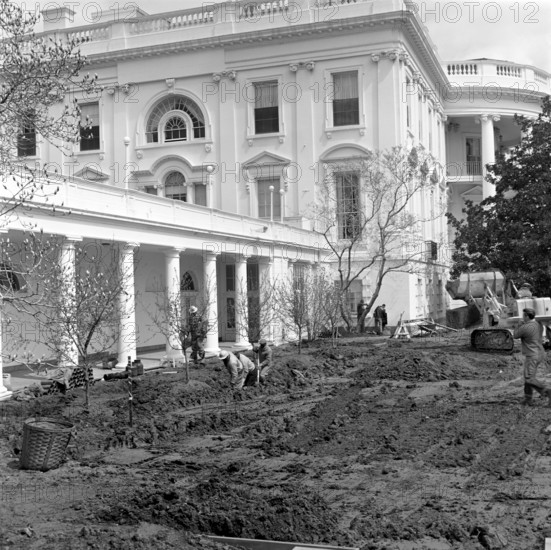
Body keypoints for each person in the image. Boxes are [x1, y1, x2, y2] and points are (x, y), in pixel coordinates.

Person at [511, 308, 551, 406]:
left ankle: (547, 392)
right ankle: (528, 399)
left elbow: (515, 335)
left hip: (532, 354)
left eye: (523, 315)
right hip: (539, 352)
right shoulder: (538, 324)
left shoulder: (526, 327)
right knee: (528, 376)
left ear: (527, 316)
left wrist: (519, 325)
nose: (522, 317)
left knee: (529, 378)